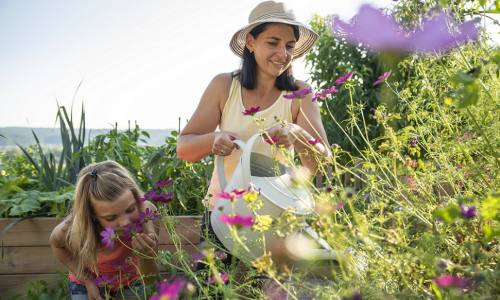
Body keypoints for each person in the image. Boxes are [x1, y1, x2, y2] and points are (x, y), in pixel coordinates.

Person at [176, 0, 330, 265]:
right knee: (212, 292)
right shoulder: (224, 86)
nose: (282, 53)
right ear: (250, 42)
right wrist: (213, 140)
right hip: (222, 215)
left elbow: (323, 165)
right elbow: (184, 148)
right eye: (272, 42)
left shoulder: (300, 95)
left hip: (276, 219)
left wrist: (298, 134)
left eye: (289, 46)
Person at [49, 161, 159, 300]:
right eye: (111, 217)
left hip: (130, 280)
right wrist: (88, 281)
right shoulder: (73, 227)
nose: (125, 222)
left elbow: (149, 280)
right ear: (92, 216)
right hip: (87, 283)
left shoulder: (147, 217)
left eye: (130, 209)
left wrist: (145, 254)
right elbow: (56, 244)